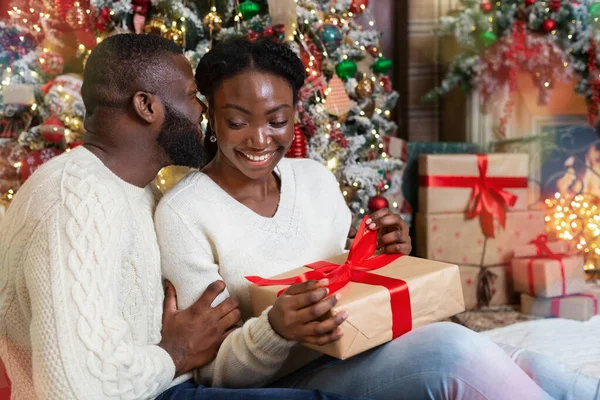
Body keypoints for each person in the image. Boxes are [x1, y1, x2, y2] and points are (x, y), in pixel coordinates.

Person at [154, 38, 600, 400]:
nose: (259, 138)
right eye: (236, 122)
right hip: (291, 382)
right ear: (211, 115)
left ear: (295, 117)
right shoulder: (185, 212)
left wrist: (385, 256)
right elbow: (211, 371)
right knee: (452, 351)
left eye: (277, 120)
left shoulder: (312, 179)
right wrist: (275, 330)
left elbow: (349, 275)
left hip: (366, 345)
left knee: (519, 360)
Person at [0, 34, 361, 400]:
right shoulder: (74, 199)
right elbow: (73, 389)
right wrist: (173, 354)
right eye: (191, 95)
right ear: (146, 106)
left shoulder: (135, 190)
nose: (202, 111)